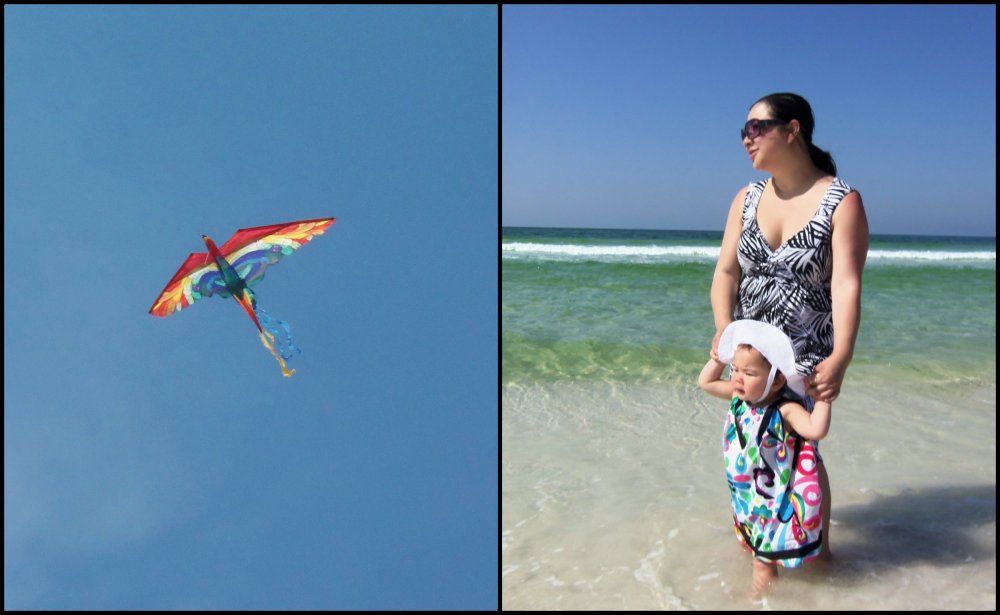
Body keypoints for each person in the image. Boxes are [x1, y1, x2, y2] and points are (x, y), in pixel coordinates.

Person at [710, 92, 869, 572]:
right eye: (743, 130)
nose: (746, 138)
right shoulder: (747, 197)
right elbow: (725, 274)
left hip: (803, 360)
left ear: (793, 129)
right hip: (750, 358)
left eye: (756, 127)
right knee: (750, 448)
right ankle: (762, 548)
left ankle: (815, 554)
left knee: (800, 455)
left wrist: (840, 356)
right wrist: (727, 338)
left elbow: (845, 285)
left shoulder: (842, 201)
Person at [699, 319, 832, 594]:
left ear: (777, 380)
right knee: (747, 547)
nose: (737, 378)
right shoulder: (740, 400)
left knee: (763, 565)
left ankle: (758, 601)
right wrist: (719, 357)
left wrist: (823, 398)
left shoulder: (784, 411)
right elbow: (706, 381)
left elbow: (816, 429)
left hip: (772, 509)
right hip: (747, 502)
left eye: (748, 372)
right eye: (735, 369)